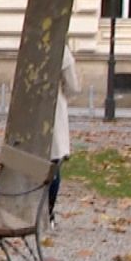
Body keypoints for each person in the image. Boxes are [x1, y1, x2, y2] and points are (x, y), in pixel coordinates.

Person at [49, 46, 81, 221]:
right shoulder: (60, 48)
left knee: (28, 163)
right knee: (53, 163)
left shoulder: (29, 43)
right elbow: (73, 85)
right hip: (53, 108)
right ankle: (47, 210)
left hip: (27, 112)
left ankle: (30, 208)